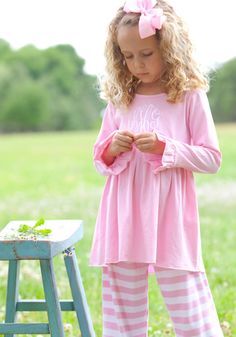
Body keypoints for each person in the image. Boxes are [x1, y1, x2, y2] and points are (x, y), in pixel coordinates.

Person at [90, 0, 224, 336]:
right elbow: (100, 160)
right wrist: (112, 148)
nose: (136, 64)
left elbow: (211, 158)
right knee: (122, 308)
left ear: (168, 47)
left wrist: (168, 148)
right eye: (128, 55)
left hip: (169, 216)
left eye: (146, 54)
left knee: (188, 300)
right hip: (122, 216)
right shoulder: (121, 98)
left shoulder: (188, 95)